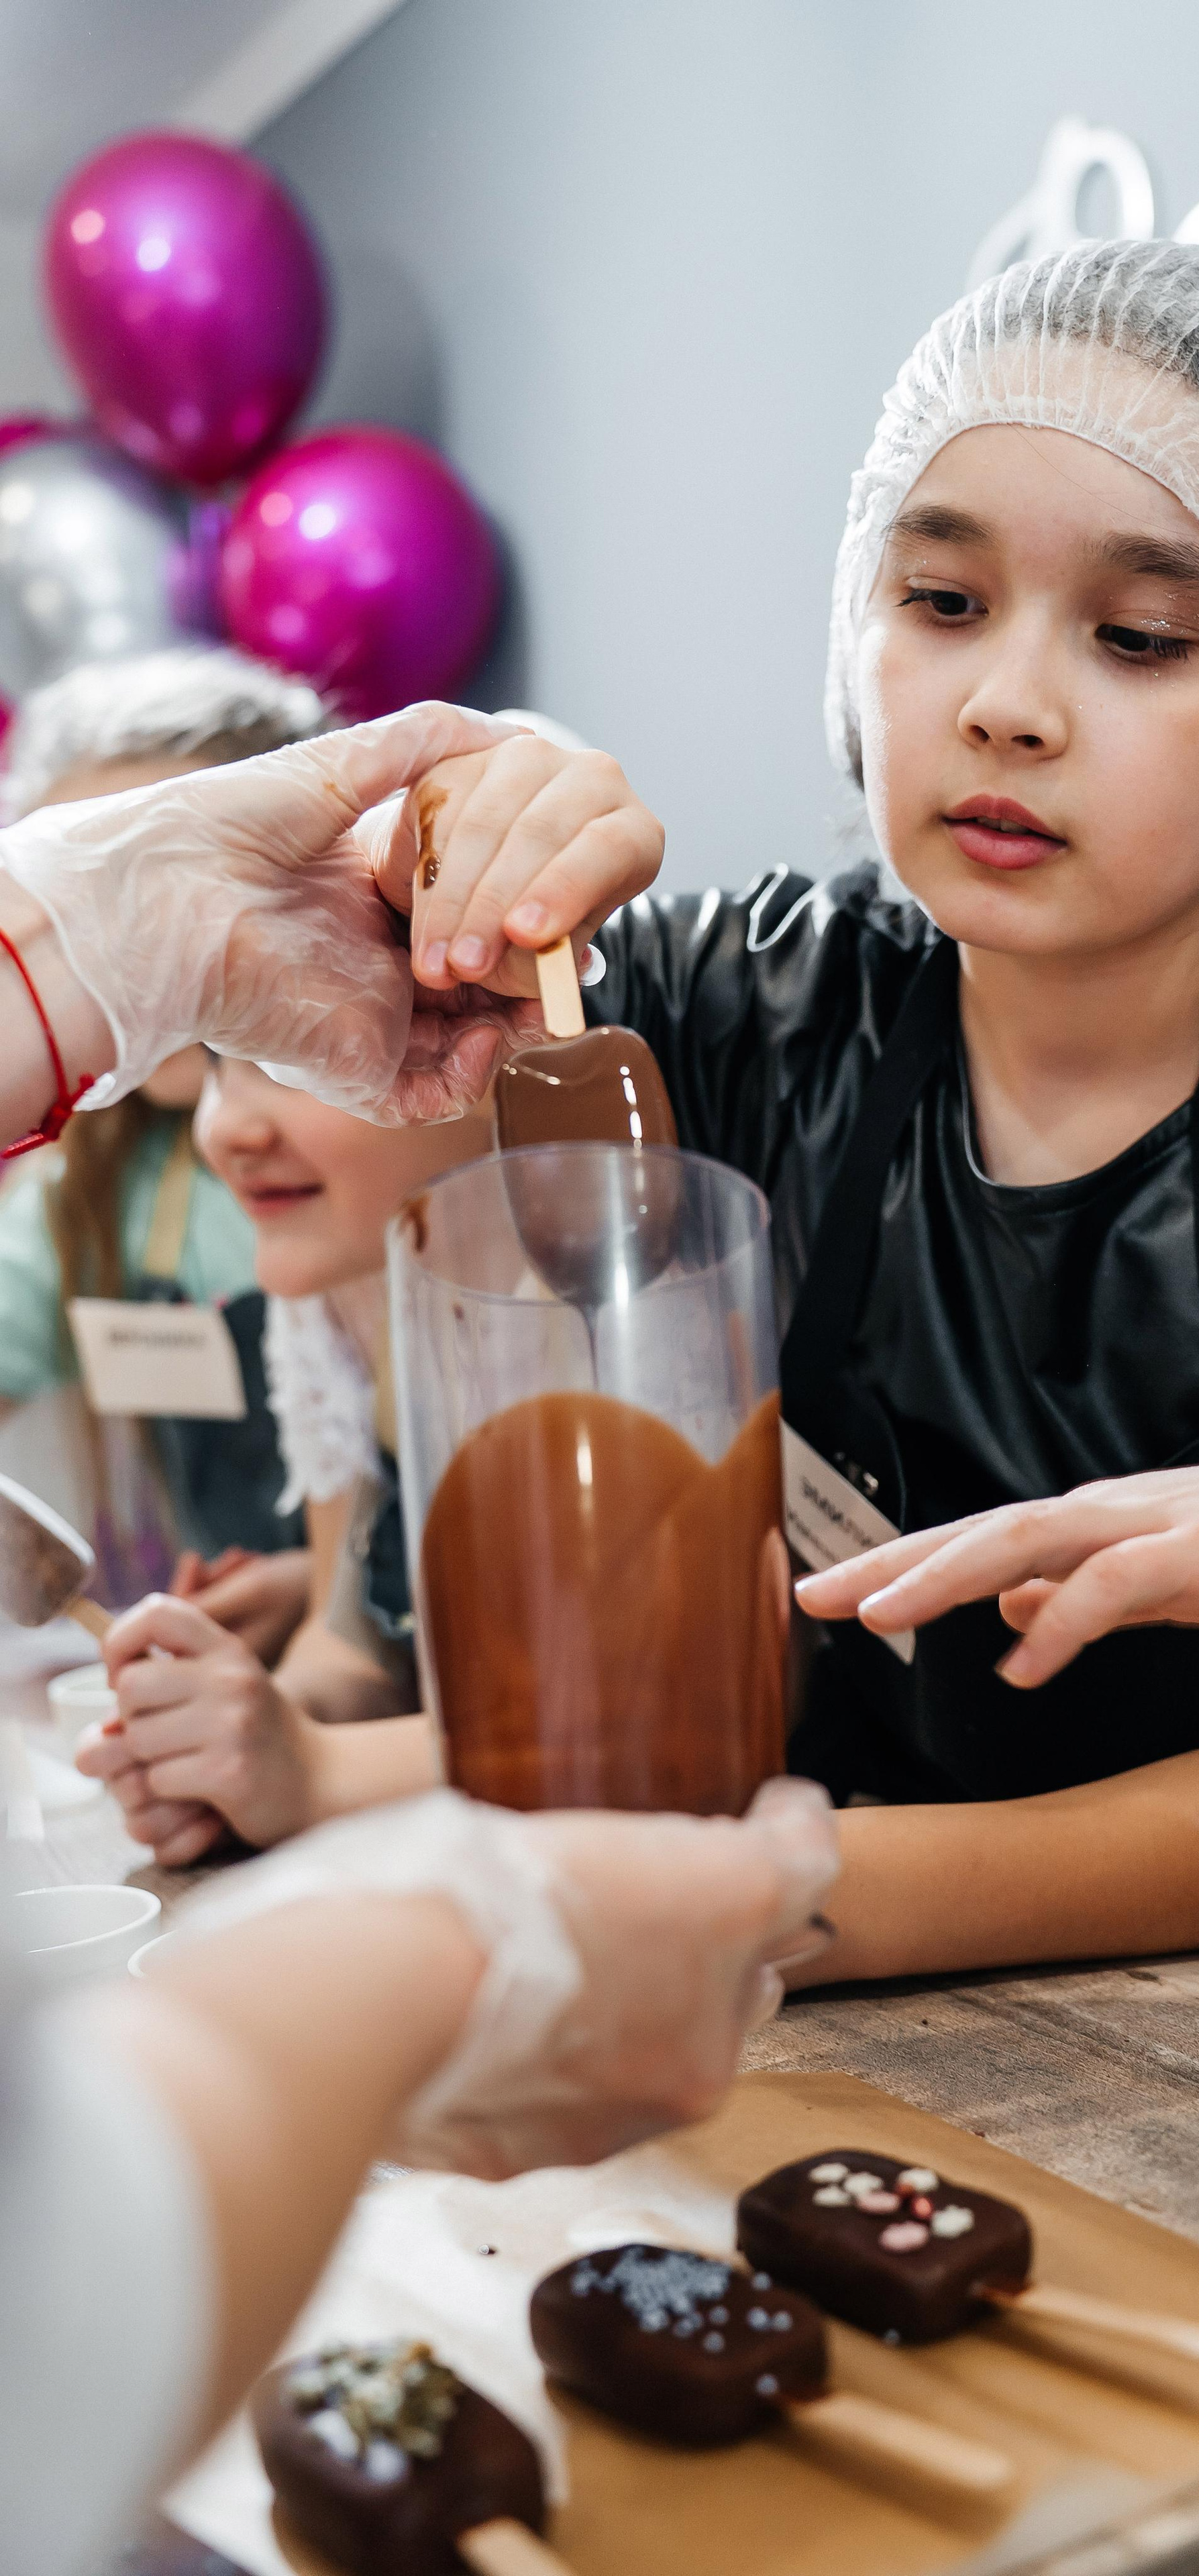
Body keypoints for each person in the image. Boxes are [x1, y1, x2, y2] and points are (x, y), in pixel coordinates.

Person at [378, 239, 1199, 1988]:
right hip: (749, 2006)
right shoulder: (746, 1004)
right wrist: (438, 847)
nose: (1005, 705)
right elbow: (387, 1180)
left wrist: (814, 1894)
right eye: (943, 602)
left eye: (1139, 637)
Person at [0, 699, 835, 2576]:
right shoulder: (359, 1322)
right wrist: (413, 1945)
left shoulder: (600, 1296)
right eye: (191, 1055)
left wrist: (86, 942)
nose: (225, 1123)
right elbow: (49, 2328)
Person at [81, 1055, 492, 1866]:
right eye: (218, 1064)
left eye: (300, 1063)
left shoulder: (619, 1293)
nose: (227, 1128)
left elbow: (643, 1731)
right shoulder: (334, 1285)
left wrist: (315, 1770)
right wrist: (245, 1729)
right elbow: (353, 1644)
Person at [0, 648, 333, 1646]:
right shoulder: (87, 1199)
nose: (139, 957)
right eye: (88, 918)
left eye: (167, 892)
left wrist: (337, 1583)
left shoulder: (385, 1143)